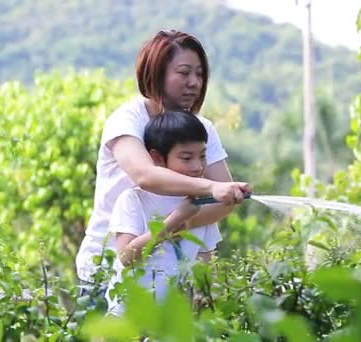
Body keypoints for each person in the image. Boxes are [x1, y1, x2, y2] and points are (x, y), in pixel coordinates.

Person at [75, 29, 251, 292]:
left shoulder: (203, 128)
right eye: (184, 72)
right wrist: (210, 189)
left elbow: (224, 202)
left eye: (200, 74)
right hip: (110, 274)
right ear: (156, 74)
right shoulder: (127, 120)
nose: (194, 82)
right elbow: (146, 176)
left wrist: (180, 223)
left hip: (170, 282)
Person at [105, 110, 214, 316]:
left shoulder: (202, 205)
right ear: (157, 158)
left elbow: (205, 265)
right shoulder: (134, 200)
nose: (198, 166)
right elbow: (127, 257)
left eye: (202, 156)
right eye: (186, 158)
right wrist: (177, 218)